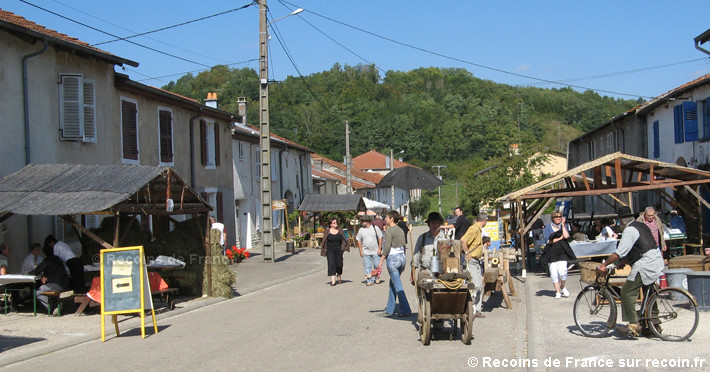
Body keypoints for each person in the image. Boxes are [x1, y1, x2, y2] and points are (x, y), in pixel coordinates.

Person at [596, 214, 664, 337]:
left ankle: (633, 324)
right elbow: (640, 246)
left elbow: (619, 253)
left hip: (646, 263)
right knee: (649, 291)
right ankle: (653, 324)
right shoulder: (641, 225)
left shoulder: (629, 230)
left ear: (621, 220)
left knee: (627, 292)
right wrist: (624, 262)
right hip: (656, 259)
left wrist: (604, 264)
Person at [377, 210, 411, 317]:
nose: (385, 219)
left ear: (392, 219)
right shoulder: (401, 230)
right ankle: (390, 309)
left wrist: (381, 261)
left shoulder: (389, 231)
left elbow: (386, 248)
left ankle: (405, 309)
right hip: (401, 258)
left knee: (398, 286)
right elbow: (403, 244)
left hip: (393, 259)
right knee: (393, 283)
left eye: (386, 217)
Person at [540, 211, 576, 299]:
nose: (558, 218)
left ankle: (563, 286)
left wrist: (563, 225)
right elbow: (548, 241)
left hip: (562, 252)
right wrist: (560, 238)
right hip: (551, 252)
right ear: (553, 218)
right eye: (556, 217)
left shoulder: (564, 226)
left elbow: (567, 236)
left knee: (563, 272)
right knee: (554, 274)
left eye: (560, 216)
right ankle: (557, 291)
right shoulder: (548, 228)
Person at [460, 212, 489, 318]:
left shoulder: (478, 229)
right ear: (484, 220)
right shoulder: (474, 229)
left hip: (476, 261)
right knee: (475, 286)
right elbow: (463, 240)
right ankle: (471, 308)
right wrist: (467, 253)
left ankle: (476, 310)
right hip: (472, 261)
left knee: (480, 286)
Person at [29, 244, 70, 315]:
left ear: (45, 254)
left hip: (56, 285)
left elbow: (35, 272)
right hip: (65, 284)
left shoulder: (46, 261)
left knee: (37, 292)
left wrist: (27, 274)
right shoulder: (58, 259)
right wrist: (44, 275)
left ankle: (52, 307)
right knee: (47, 288)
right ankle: (55, 304)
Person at [410, 212, 447, 285]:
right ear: (429, 224)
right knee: (424, 295)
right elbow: (416, 256)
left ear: (440, 224)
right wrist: (412, 273)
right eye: (432, 223)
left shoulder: (445, 238)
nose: (434, 225)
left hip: (442, 274)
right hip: (425, 272)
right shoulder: (422, 238)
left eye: (436, 223)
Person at [320, 218, 349, 286]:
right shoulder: (327, 232)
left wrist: (343, 248)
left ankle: (339, 275)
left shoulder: (340, 231)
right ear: (330, 224)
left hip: (339, 250)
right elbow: (324, 241)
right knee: (331, 264)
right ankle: (333, 280)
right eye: (334, 222)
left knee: (339, 264)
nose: (336, 223)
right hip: (330, 251)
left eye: (336, 222)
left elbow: (344, 240)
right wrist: (325, 250)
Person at [356, 216, 383, 286]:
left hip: (375, 251)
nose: (361, 223)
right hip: (366, 252)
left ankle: (377, 277)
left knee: (377, 265)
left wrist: (379, 248)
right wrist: (360, 251)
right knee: (367, 266)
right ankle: (369, 280)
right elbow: (359, 241)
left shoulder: (375, 228)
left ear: (367, 221)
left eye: (362, 221)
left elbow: (380, 237)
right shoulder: (361, 230)